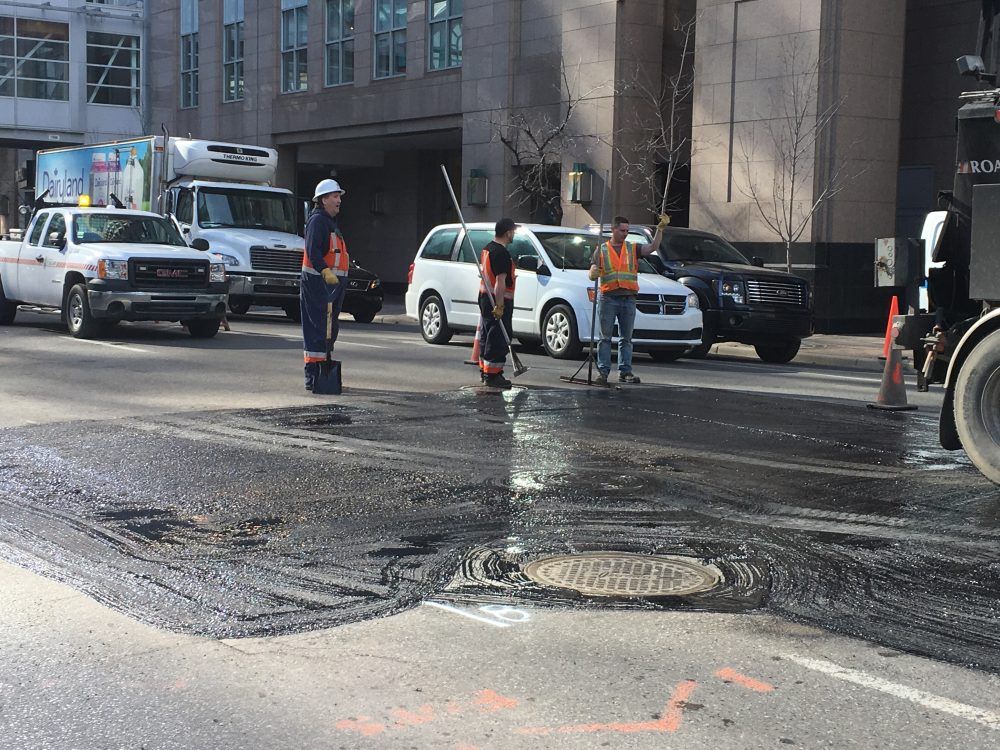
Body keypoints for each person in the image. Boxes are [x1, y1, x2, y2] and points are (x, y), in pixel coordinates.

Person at [588, 214, 669, 385]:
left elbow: (653, 247)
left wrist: (660, 230)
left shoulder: (633, 248)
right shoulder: (602, 250)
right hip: (608, 297)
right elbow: (592, 269)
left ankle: (625, 371)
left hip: (628, 298)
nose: (625, 233)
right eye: (622, 230)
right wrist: (592, 272)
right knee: (605, 338)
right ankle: (603, 373)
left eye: (627, 230)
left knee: (626, 338)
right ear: (613, 229)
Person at [301, 178, 348, 391]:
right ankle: (314, 376)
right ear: (324, 199)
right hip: (318, 283)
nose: (339, 200)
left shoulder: (329, 222)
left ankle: (323, 370)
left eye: (339, 196)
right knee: (318, 328)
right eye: (335, 196)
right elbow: (313, 251)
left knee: (329, 329)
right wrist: (325, 271)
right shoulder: (318, 221)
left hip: (331, 285)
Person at [478, 217, 518, 389]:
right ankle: (493, 375)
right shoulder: (501, 253)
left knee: (488, 335)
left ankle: (486, 370)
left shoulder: (487, 249)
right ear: (508, 232)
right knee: (498, 336)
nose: (513, 235)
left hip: (484, 297)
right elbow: (500, 282)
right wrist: (500, 306)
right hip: (497, 299)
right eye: (513, 232)